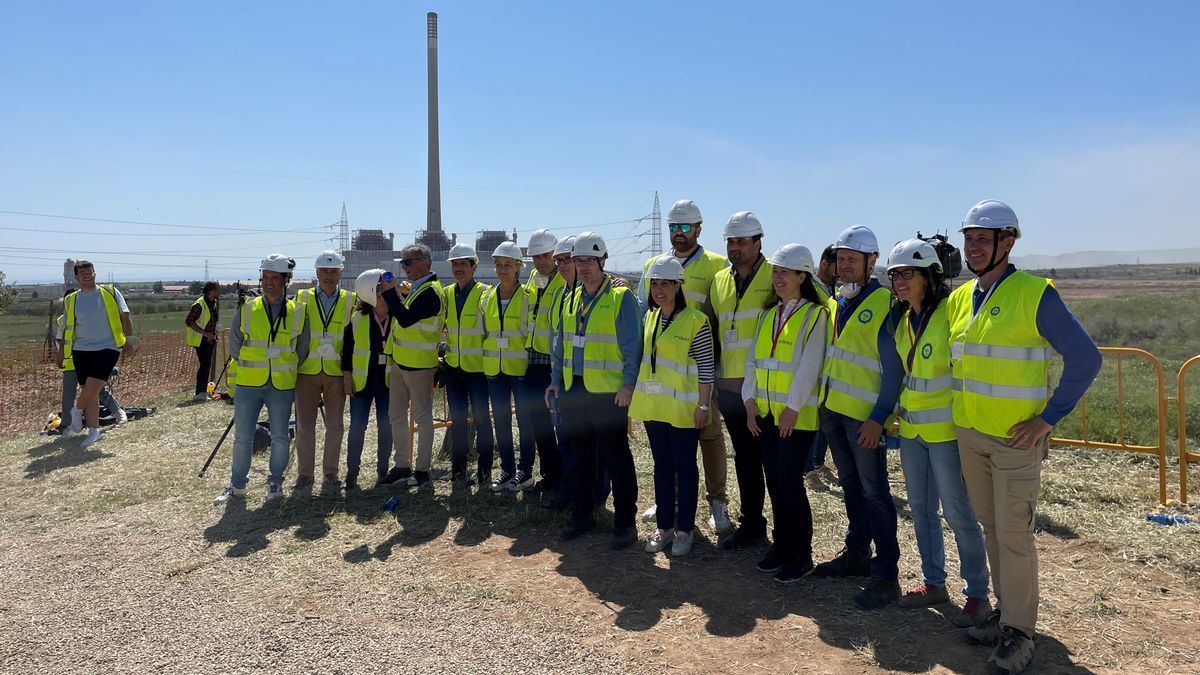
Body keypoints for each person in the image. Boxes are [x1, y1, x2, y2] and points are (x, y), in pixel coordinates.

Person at [950, 200, 1101, 675]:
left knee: (1014, 535)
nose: (973, 247)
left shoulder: (1035, 294)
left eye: (983, 238)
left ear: (1008, 242)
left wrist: (1048, 419)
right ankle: (1005, 613)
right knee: (992, 527)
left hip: (1015, 442)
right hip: (971, 434)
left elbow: (1086, 358)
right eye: (968, 238)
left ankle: (1019, 632)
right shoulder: (961, 297)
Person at [886, 239, 991, 626]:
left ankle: (978, 595)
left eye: (907, 273)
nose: (899, 281)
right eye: (895, 274)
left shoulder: (950, 312)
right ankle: (934, 583)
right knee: (921, 512)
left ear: (930, 276)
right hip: (913, 433)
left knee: (959, 514)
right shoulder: (904, 320)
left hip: (946, 434)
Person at [813, 225, 905, 610]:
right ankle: (856, 555)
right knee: (851, 486)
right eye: (840, 259)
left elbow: (895, 368)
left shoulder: (885, 304)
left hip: (864, 419)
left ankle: (886, 573)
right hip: (834, 411)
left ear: (872, 261)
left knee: (875, 493)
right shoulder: (837, 302)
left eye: (852, 259)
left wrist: (879, 417)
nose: (844, 266)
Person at [637, 199, 733, 534]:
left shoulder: (717, 264)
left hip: (703, 369)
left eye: (685, 228)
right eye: (673, 228)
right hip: (665, 375)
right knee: (669, 440)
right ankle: (671, 500)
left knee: (708, 435)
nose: (679, 234)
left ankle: (717, 502)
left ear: (698, 229)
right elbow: (643, 310)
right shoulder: (654, 263)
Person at [548, 231, 643, 549]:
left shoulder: (620, 297)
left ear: (602, 261)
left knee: (616, 457)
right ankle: (582, 514)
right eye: (578, 261)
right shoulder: (571, 297)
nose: (583, 266)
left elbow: (633, 346)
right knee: (581, 456)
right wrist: (556, 380)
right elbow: (560, 342)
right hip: (574, 389)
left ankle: (625, 523)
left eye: (589, 260)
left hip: (609, 393)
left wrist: (629, 384)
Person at [743, 244, 828, 583]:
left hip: (795, 418)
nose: (778, 278)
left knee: (791, 485)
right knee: (775, 484)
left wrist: (792, 407)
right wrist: (749, 402)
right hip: (765, 415)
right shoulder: (767, 315)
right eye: (775, 271)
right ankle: (781, 546)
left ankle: (801, 554)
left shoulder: (814, 316)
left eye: (785, 272)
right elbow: (753, 361)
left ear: (802, 276)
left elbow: (810, 366)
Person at [629, 256, 714, 557]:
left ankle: (684, 530)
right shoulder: (650, 317)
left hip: (683, 411)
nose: (659, 289)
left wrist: (703, 407)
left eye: (666, 283)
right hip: (656, 409)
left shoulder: (695, 321)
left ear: (679, 286)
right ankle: (664, 527)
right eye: (655, 283)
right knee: (662, 468)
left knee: (685, 469)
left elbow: (706, 368)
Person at [705, 212, 776, 550]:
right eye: (730, 242)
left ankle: (786, 535)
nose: (735, 248)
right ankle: (752, 525)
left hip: (768, 390)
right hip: (730, 389)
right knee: (746, 460)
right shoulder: (719, 280)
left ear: (757, 242)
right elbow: (710, 330)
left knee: (775, 464)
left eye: (741, 241)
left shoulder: (777, 275)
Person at [214, 254, 305, 504]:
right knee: (243, 437)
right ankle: (237, 485)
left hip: (281, 384)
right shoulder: (247, 309)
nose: (268, 282)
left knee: (280, 436)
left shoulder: (297, 311)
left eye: (274, 277)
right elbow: (234, 344)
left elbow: (303, 348)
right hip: (249, 384)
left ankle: (275, 483)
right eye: (265, 277)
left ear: (286, 280)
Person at [378, 243, 444, 487]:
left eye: (407, 262)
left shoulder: (431, 292)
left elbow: (405, 319)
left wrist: (389, 293)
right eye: (402, 262)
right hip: (401, 362)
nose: (403, 267)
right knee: (396, 416)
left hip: (419, 366)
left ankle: (423, 471)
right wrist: (399, 293)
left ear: (424, 263)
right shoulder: (417, 289)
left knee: (422, 418)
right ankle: (402, 466)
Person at [293, 250, 354, 494]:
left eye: (333, 271)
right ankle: (305, 475)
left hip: (336, 371)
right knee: (305, 426)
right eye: (324, 271)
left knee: (336, 426)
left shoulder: (351, 299)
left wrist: (349, 373)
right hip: (306, 370)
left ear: (340, 273)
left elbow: (352, 339)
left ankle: (330, 473)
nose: (329, 276)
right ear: (317, 273)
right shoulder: (301, 297)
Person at [481, 242, 536, 491]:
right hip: (495, 369)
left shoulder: (528, 297)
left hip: (520, 368)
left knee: (526, 421)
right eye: (499, 265)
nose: (502, 270)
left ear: (518, 268)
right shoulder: (487, 298)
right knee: (501, 421)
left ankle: (525, 471)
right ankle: (506, 469)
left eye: (508, 265)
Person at [62, 260, 134, 448]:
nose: (87, 275)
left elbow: (125, 316)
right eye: (83, 273)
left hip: (109, 348)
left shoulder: (110, 292)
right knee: (90, 391)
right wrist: (62, 351)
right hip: (80, 350)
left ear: (95, 273)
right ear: (76, 277)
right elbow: (67, 327)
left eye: (90, 272)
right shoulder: (71, 299)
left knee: (94, 385)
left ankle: (76, 411)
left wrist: (130, 341)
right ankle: (94, 431)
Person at [441, 243, 496, 487]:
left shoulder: (486, 293)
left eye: (463, 264)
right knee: (458, 423)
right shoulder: (446, 294)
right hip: (455, 370)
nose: (458, 268)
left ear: (474, 266)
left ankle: (485, 472)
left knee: (483, 421)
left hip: (479, 371)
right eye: (455, 264)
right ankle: (459, 472)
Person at [520, 229, 565, 494]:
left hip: (554, 362)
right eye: (535, 256)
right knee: (540, 423)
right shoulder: (532, 281)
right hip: (533, 360)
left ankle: (563, 478)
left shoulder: (564, 282)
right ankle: (550, 476)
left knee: (560, 425)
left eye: (545, 255)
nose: (540, 261)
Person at [340, 269, 393, 492]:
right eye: (380, 289)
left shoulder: (398, 316)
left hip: (388, 383)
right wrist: (347, 377)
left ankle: (383, 471)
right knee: (357, 427)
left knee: (386, 425)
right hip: (362, 382)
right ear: (370, 292)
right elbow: (347, 349)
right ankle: (352, 473)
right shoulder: (357, 318)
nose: (384, 292)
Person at [54, 293, 124, 431]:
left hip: (89, 361)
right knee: (68, 396)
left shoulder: (91, 318)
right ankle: (67, 426)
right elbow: (59, 339)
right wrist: (61, 353)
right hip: (70, 363)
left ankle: (118, 413)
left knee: (98, 391)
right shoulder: (63, 320)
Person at [804, 244, 839, 491]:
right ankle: (808, 469)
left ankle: (818, 462)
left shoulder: (832, 289)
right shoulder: (813, 289)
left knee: (826, 419)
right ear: (825, 263)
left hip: (829, 361)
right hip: (814, 360)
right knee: (813, 420)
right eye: (837, 266)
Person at [185, 281, 221, 402]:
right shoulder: (199, 304)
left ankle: (203, 392)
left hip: (209, 339)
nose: (219, 292)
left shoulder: (212, 303)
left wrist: (214, 334)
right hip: (200, 339)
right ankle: (199, 393)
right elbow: (189, 321)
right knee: (205, 365)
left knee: (206, 365)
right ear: (211, 291)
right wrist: (205, 333)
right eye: (217, 290)